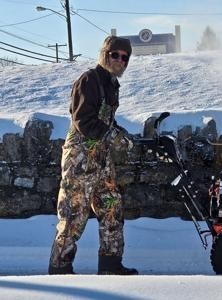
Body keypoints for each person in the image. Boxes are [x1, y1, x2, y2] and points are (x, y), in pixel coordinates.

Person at [48, 36, 138, 275]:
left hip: (101, 161)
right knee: (73, 216)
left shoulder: (110, 84)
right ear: (104, 54)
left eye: (124, 57)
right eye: (115, 54)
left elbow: (106, 120)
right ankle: (60, 270)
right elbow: (83, 120)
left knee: (112, 209)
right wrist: (112, 137)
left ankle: (111, 265)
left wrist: (122, 135)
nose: (120, 60)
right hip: (80, 160)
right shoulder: (89, 79)